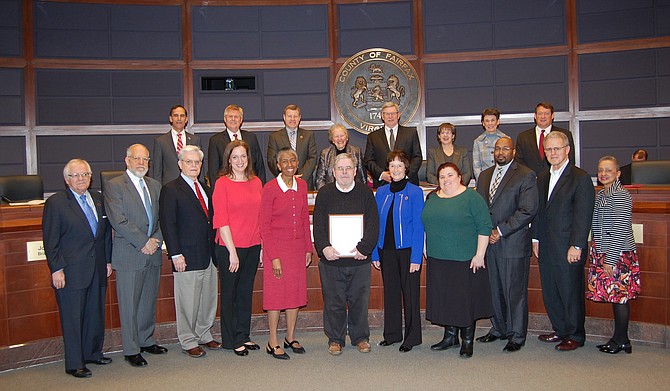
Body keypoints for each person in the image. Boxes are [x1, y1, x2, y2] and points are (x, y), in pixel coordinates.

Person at [43, 159, 113, 378]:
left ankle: (92, 352)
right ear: (66, 179)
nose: (81, 179)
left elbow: (104, 237)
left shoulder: (99, 199)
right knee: (73, 317)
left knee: (94, 312)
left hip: (97, 267)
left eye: (85, 174)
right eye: (76, 175)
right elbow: (50, 240)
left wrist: (108, 261)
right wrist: (56, 269)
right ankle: (74, 362)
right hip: (70, 271)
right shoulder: (56, 203)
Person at [104, 144, 166, 367]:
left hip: (153, 252)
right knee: (129, 303)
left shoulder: (155, 185)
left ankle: (146, 340)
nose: (141, 163)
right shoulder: (114, 186)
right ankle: (131, 349)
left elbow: (161, 218)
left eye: (145, 159)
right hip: (130, 253)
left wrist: (155, 241)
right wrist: (143, 242)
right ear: (127, 160)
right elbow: (118, 220)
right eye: (137, 159)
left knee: (148, 301)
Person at [532, 131, 595, 351]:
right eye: (549, 149)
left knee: (570, 292)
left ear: (567, 150)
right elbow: (539, 212)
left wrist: (577, 245)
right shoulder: (542, 177)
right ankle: (560, 329)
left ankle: (575, 335)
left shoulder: (580, 177)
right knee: (551, 291)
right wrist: (536, 238)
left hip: (569, 247)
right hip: (546, 246)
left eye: (557, 148)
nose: (552, 153)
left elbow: (583, 215)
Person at [422, 162, 492, 358]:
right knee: (445, 299)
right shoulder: (433, 198)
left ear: (460, 177)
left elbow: (484, 227)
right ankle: (450, 337)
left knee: (464, 301)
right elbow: (427, 224)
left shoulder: (472, 197)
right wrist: (426, 247)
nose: (446, 180)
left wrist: (480, 255)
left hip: (465, 259)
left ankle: (467, 341)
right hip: (438, 258)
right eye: (442, 176)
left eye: (450, 175)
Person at [475, 137, 538, 352]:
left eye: (505, 148)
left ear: (513, 151)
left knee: (514, 292)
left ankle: (517, 335)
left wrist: (500, 230)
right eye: (497, 149)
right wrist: (484, 232)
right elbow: (480, 209)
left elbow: (527, 210)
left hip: (512, 242)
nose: (500, 152)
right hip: (488, 244)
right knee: (494, 289)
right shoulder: (484, 176)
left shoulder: (525, 174)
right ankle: (499, 329)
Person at [313, 153, 379, 355]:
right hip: (332, 260)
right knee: (334, 302)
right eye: (340, 169)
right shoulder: (324, 193)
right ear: (333, 172)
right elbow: (319, 225)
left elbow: (373, 223)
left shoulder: (365, 193)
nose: (344, 172)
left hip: (358, 259)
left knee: (360, 301)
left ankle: (360, 338)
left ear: (354, 170)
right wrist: (324, 248)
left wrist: (364, 248)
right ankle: (335, 339)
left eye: (348, 168)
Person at [158, 145, 221, 358]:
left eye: (197, 162)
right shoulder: (171, 189)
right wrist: (175, 254)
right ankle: (187, 340)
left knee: (208, 298)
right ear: (180, 164)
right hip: (186, 255)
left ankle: (204, 333)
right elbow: (168, 224)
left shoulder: (205, 187)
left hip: (208, 254)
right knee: (188, 300)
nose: (194, 166)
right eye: (189, 162)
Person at [259, 148, 313, 360]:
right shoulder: (270, 188)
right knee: (275, 297)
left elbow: (303, 220)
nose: (289, 164)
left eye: (293, 160)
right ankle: (272, 341)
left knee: (294, 294)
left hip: (298, 249)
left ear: (298, 163)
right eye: (284, 161)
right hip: (277, 250)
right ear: (278, 165)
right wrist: (273, 257)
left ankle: (290, 337)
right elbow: (264, 225)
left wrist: (308, 248)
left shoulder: (302, 186)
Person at [212, 139, 263, 356]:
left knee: (245, 293)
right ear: (228, 160)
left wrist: (261, 246)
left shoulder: (257, 182)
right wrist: (232, 251)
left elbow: (261, 216)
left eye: (243, 156)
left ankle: (243, 335)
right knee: (230, 294)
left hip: (252, 246)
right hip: (229, 247)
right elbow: (221, 219)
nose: (240, 161)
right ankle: (230, 339)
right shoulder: (222, 183)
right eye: (235, 157)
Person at [372, 150, 424, 352]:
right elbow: (376, 224)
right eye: (392, 165)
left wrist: (416, 257)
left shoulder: (415, 192)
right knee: (391, 294)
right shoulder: (382, 192)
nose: (395, 169)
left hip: (407, 251)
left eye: (399, 165)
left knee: (410, 295)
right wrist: (376, 253)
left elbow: (419, 227)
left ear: (406, 168)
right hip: (386, 251)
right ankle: (392, 334)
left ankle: (412, 338)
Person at [587, 156, 640, 354]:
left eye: (608, 170)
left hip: (618, 255)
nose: (603, 174)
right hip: (605, 252)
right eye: (600, 170)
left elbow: (620, 229)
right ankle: (619, 339)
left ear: (618, 173)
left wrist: (610, 258)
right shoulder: (602, 194)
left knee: (620, 298)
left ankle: (622, 339)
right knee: (616, 297)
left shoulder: (620, 195)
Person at [364, 101, 422, 188]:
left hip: (407, 183)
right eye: (387, 114)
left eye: (393, 113)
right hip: (383, 184)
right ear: (382, 116)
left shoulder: (411, 133)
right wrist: (382, 174)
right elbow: (368, 160)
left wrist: (404, 174)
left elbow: (417, 157)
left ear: (398, 115)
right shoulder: (373, 136)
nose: (390, 117)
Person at [208, 104, 266, 188]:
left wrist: (261, 188)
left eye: (236, 117)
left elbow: (259, 166)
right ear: (225, 119)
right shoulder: (215, 140)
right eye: (230, 116)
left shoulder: (251, 137)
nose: (233, 119)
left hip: (250, 185)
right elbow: (213, 171)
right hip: (227, 187)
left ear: (241, 120)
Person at [515, 102, 576, 175]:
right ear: (535, 116)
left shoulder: (565, 134)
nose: (543, 117)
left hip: (556, 180)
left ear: (552, 116)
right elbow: (519, 163)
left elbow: (570, 160)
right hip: (531, 182)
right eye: (540, 113)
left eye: (547, 113)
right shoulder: (523, 137)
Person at [267, 104, 317, 190]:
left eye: (295, 116)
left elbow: (312, 158)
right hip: (283, 184)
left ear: (299, 117)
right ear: (284, 117)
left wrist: (300, 177)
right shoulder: (274, 137)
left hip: (304, 182)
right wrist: (286, 176)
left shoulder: (309, 135)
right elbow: (272, 160)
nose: (292, 119)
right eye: (289, 116)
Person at [151, 105, 203, 185]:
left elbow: (200, 168)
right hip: (169, 187)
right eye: (176, 115)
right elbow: (157, 171)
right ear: (171, 119)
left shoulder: (195, 140)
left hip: (191, 186)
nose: (179, 119)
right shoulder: (161, 141)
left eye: (182, 116)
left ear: (186, 119)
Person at [314, 124, 366, 189]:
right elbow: (319, 179)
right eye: (336, 136)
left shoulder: (356, 151)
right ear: (332, 139)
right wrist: (326, 193)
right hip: (331, 193)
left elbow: (362, 177)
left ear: (346, 137)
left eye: (342, 136)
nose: (339, 139)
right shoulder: (325, 154)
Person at [473, 108, 508, 180]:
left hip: (503, 180)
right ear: (483, 123)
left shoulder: (506, 140)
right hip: (484, 180)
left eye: (493, 120)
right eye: (487, 121)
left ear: (498, 122)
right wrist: (482, 181)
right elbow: (476, 166)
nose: (490, 123)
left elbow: (509, 163)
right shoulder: (478, 141)